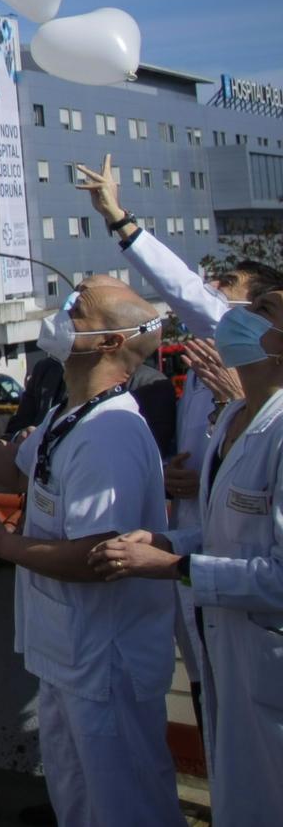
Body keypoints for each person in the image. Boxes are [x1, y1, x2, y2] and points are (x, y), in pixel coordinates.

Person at [0, 276, 180, 827]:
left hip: (104, 661)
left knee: (123, 805)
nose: (60, 315)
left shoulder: (111, 433)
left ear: (110, 342)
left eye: (76, 311)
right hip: (68, 657)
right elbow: (14, 470)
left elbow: (99, 557)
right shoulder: (71, 412)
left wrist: (4, 545)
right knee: (77, 799)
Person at [89, 291, 283, 827]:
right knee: (242, 794)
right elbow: (233, 535)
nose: (238, 317)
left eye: (262, 311)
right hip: (231, 648)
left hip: (267, 651)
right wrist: (173, 541)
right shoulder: (237, 417)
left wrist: (178, 568)